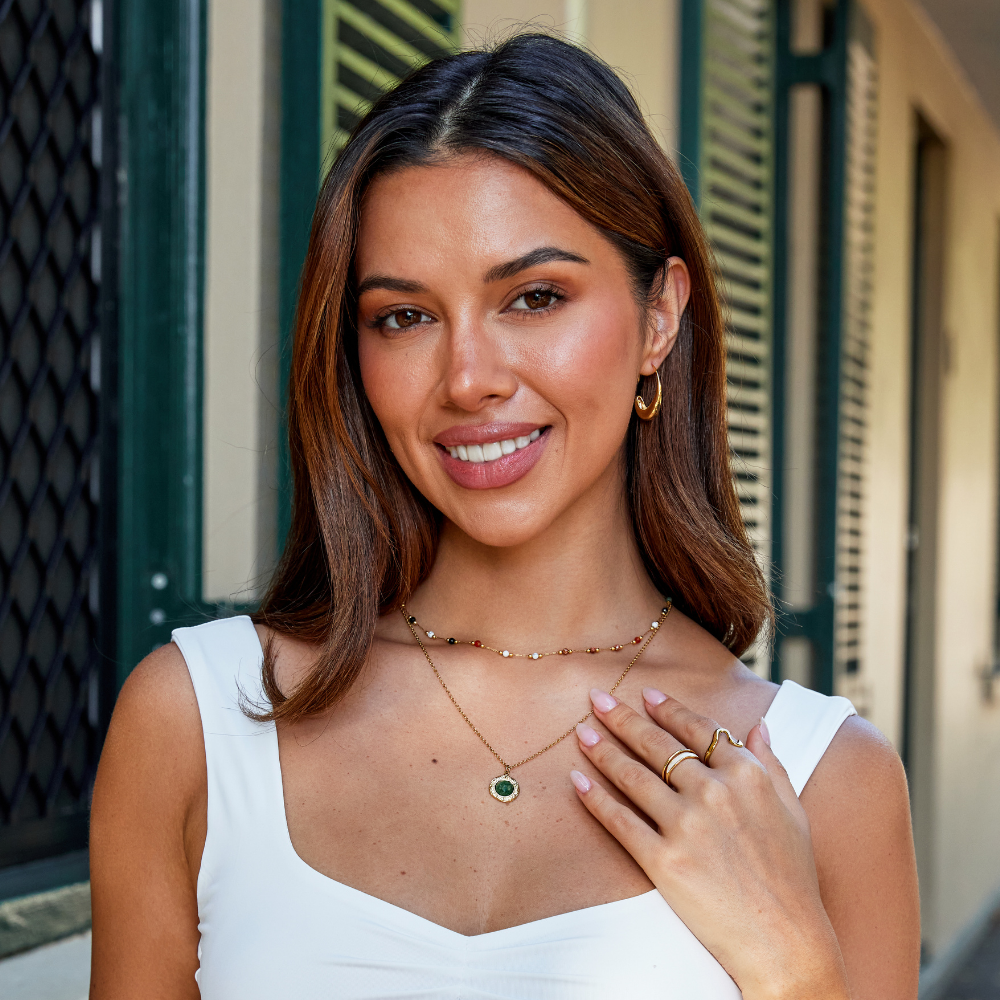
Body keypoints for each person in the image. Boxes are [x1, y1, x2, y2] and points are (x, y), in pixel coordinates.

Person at [89, 32, 919, 999]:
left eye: (534, 297)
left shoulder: (827, 778)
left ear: (659, 317)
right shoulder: (196, 719)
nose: (468, 379)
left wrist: (796, 965)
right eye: (404, 316)